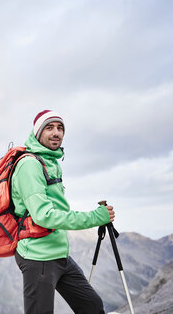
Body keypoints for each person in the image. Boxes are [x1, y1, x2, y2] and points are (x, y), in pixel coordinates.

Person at [11, 110, 115, 314]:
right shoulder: (29, 165)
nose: (56, 133)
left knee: (92, 305)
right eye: (49, 128)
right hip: (38, 256)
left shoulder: (50, 162)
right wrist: (94, 217)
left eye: (60, 128)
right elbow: (44, 215)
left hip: (58, 253)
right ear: (38, 132)